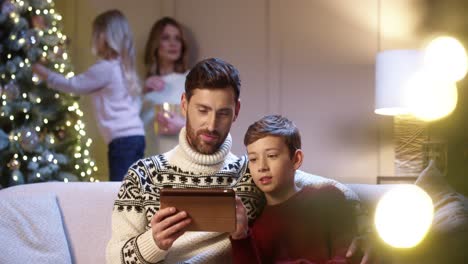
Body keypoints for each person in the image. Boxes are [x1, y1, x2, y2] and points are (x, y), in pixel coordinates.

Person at [106, 58, 376, 264]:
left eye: (223, 113)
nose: (211, 125)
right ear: (184, 105)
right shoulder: (144, 174)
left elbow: (334, 190)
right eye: (202, 111)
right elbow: (114, 258)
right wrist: (153, 243)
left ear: (236, 111)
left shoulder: (253, 170)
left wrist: (366, 231)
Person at [32, 10, 145, 182]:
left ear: (103, 37)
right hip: (137, 136)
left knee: (119, 190)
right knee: (133, 187)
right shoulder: (123, 67)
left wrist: (46, 74)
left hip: (122, 141)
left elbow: (74, 85)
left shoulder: (105, 68)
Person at [231, 114, 360, 263]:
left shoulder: (328, 198)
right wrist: (240, 238)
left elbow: (348, 255)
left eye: (272, 155)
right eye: (253, 159)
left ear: (296, 159)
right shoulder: (255, 225)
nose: (262, 167)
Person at [140, 17, 189, 156]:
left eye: (177, 38)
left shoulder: (191, 80)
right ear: (155, 44)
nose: (173, 43)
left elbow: (204, 125)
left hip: (181, 160)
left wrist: (182, 126)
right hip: (149, 159)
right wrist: (141, 90)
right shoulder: (141, 86)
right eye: (166, 38)